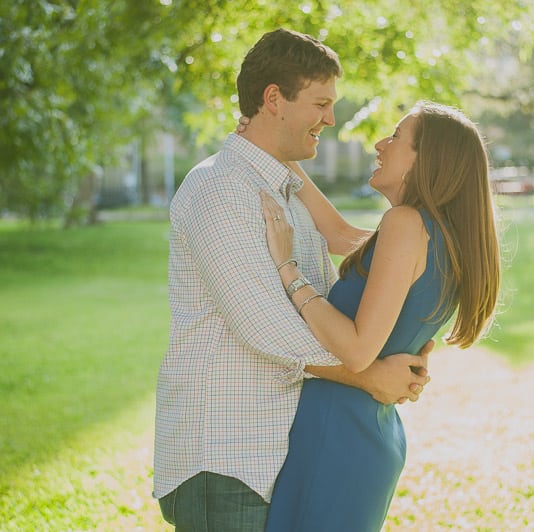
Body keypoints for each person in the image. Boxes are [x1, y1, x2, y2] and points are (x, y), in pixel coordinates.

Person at [152, 28, 432, 532]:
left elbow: (349, 262)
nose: (330, 119)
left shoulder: (283, 191)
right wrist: (371, 375)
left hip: (275, 454)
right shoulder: (221, 189)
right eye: (321, 103)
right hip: (226, 460)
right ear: (274, 99)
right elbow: (266, 326)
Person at [257, 101, 501, 531]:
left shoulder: (405, 224)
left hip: (336, 438)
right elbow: (339, 234)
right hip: (366, 435)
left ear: (426, 161)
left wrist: (288, 269)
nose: (380, 143)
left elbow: (356, 350)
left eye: (396, 136)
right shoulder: (437, 234)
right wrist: (277, 154)